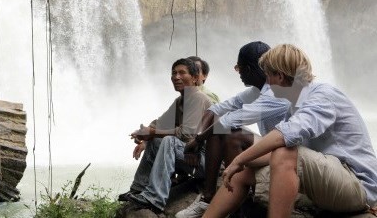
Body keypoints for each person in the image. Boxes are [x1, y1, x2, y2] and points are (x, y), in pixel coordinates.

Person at [203, 44, 377, 218]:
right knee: (242, 174)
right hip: (329, 184)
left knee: (284, 152)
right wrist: (242, 164)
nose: (267, 83)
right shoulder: (293, 106)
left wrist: (238, 159)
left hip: (358, 186)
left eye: (268, 76)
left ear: (279, 76)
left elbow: (285, 138)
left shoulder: (323, 95)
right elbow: (277, 149)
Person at [177, 41, 290, 218]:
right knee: (219, 130)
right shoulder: (256, 90)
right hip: (272, 144)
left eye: (239, 68)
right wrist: (199, 135)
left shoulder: (275, 93)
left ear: (252, 69)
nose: (238, 73)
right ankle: (208, 197)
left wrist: (197, 141)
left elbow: (229, 120)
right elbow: (217, 109)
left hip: (288, 150)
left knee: (231, 133)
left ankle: (237, 201)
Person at [118, 58, 213, 214]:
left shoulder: (198, 98)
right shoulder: (181, 101)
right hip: (191, 156)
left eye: (182, 73)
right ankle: (138, 190)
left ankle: (155, 198)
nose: (176, 77)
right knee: (155, 141)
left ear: (196, 78)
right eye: (174, 73)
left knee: (169, 141)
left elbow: (187, 133)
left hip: (206, 161)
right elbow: (160, 123)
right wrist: (143, 135)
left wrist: (153, 132)